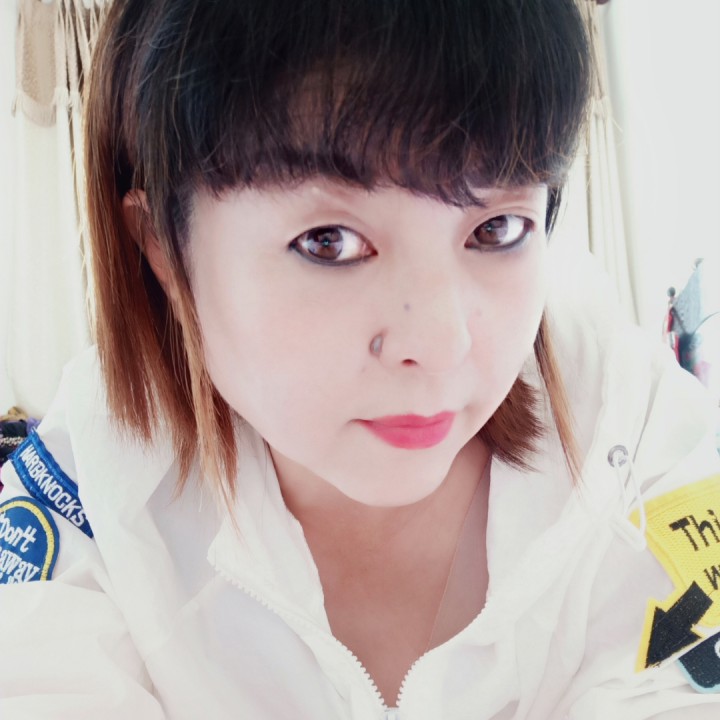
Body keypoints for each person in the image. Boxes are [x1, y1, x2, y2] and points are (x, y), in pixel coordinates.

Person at [1, 0, 719, 717]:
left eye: (497, 229)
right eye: (330, 243)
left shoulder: (632, 428)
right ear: (165, 246)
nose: (440, 344)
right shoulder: (93, 483)